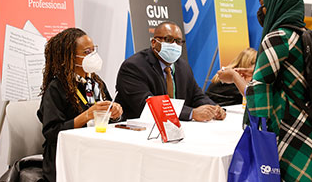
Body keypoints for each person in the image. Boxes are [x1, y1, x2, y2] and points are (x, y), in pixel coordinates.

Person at [217, 0, 312, 181]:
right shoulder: (308, 38)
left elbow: (256, 98)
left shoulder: (278, 37)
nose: (261, 10)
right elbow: (293, 81)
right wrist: (256, 75)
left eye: (264, 4)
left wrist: (234, 76)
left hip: (292, 135)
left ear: (278, 3)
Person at [37, 28, 123, 182]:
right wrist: (87, 115)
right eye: (86, 52)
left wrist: (115, 113)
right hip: (65, 157)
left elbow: (109, 114)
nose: (93, 56)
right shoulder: (56, 88)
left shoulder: (96, 82)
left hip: (94, 149)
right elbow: (52, 132)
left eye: (93, 50)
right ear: (68, 57)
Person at [115, 21, 226, 122]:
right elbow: (148, 105)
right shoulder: (134, 67)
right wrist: (192, 113)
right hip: (138, 128)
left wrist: (214, 108)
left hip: (174, 129)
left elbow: (197, 96)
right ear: (154, 42)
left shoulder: (183, 66)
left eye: (178, 41)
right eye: (168, 39)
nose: (174, 45)